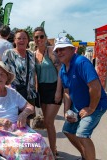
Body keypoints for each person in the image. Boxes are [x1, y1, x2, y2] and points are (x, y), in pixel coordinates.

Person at [0, 61, 54, 159]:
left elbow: (30, 107)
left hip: (16, 129)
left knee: (38, 140)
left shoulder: (12, 92)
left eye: (2, 74)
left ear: (7, 79)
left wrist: (23, 114)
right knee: (22, 149)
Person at [54, 37, 107, 160]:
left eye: (62, 49)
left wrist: (91, 108)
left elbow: (95, 87)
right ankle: (85, 156)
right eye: (57, 50)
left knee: (82, 134)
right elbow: (67, 92)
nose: (59, 53)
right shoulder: (63, 69)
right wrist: (66, 112)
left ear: (73, 49)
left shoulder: (81, 62)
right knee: (67, 130)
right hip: (79, 106)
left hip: (96, 105)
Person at [33, 27, 63, 156]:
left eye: (41, 36)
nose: (39, 39)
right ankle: (51, 148)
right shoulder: (33, 54)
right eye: (36, 37)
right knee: (46, 122)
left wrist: (58, 91)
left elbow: (60, 72)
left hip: (53, 88)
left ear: (45, 38)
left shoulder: (51, 52)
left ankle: (53, 150)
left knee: (49, 122)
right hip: (42, 90)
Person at [2, 29, 36, 107]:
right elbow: (3, 71)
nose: (22, 40)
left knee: (27, 117)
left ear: (28, 40)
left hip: (29, 93)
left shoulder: (31, 55)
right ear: (14, 40)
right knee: (13, 117)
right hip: (13, 92)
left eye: (24, 38)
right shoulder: (8, 53)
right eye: (19, 38)